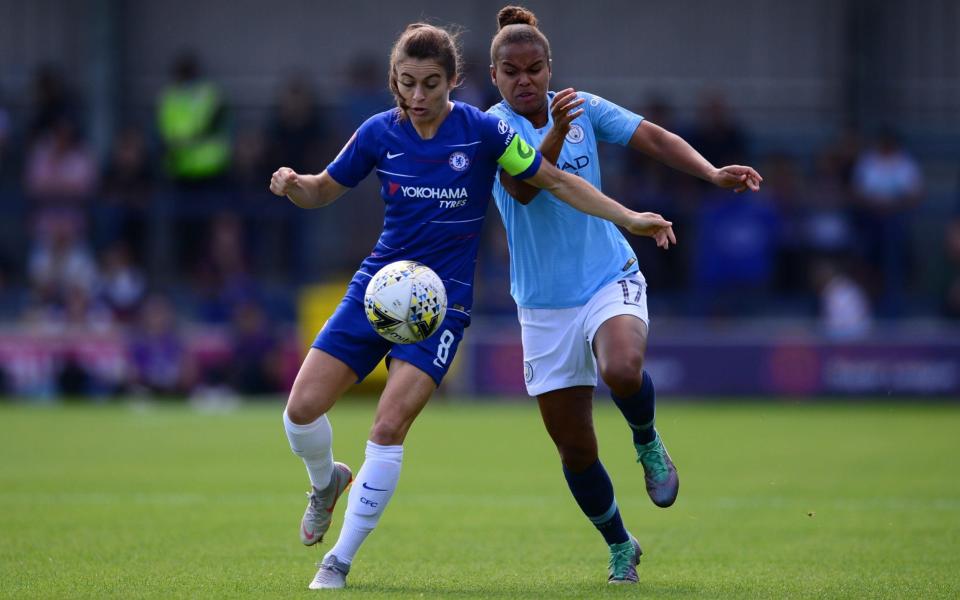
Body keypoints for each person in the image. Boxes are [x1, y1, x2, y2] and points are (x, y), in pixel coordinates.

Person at [268, 22, 675, 590]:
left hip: (441, 303)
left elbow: (551, 180)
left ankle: (336, 562)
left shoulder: (483, 132)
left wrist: (628, 218)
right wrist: (293, 183)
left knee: (386, 429)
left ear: (453, 82)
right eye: (406, 83)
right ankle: (325, 483)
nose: (417, 96)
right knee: (299, 413)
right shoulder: (377, 133)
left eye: (430, 83)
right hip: (378, 288)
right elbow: (321, 191)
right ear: (394, 81)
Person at [487, 6, 762, 584]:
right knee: (576, 451)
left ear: (550, 67)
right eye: (512, 71)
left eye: (535, 68)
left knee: (622, 367)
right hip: (542, 305)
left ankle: (646, 440)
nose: (525, 80)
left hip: (606, 275)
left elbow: (653, 138)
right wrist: (556, 131)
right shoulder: (489, 126)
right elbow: (525, 187)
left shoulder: (582, 106)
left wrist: (710, 173)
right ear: (495, 77)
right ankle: (619, 544)